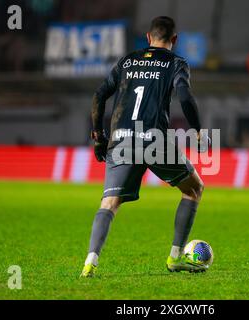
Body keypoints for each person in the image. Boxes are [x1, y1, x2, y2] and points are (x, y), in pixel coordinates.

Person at [80, 16, 210, 277]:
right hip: (153, 139)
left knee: (109, 202)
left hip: (121, 138)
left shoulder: (128, 61)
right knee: (194, 189)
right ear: (174, 40)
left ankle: (89, 263)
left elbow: (99, 95)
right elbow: (184, 95)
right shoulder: (176, 63)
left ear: (148, 38)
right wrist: (197, 131)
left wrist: (98, 135)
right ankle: (175, 258)